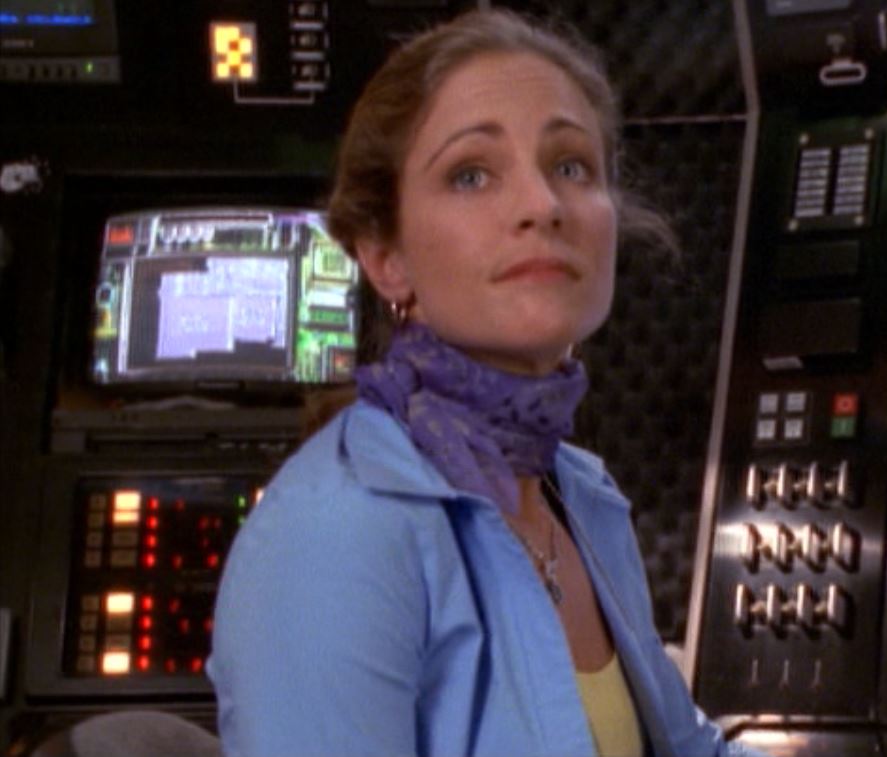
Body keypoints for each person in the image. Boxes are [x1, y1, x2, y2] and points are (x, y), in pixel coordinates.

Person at [207, 9, 754, 757]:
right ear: (386, 257)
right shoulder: (332, 531)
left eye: (571, 166)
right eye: (471, 174)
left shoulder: (581, 494)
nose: (542, 205)